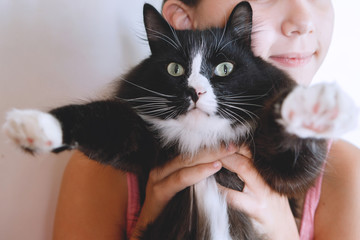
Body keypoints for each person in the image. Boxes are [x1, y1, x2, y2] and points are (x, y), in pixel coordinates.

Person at [52, 0, 360, 239]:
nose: (304, 22)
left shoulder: (345, 171)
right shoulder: (100, 170)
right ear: (183, 21)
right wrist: (147, 227)